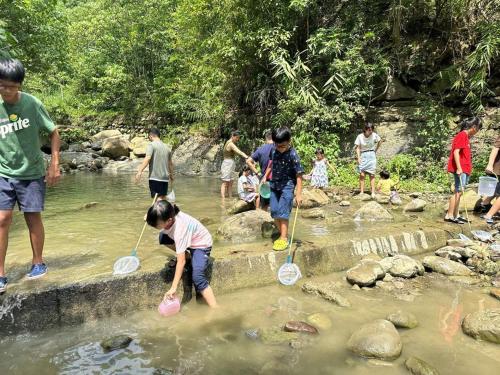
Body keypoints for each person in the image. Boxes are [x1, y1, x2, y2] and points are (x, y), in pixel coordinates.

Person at [0, 58, 61, 293]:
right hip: (4, 172)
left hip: (32, 172)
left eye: (11, 86)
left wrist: (54, 164)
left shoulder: (32, 104)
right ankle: (1, 274)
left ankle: (38, 262)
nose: (6, 91)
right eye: (2, 85)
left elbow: (54, 133)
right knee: (2, 220)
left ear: (20, 86)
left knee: (32, 218)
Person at [146, 200, 217, 308]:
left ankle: (215, 307)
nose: (156, 227)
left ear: (169, 220)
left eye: (157, 225)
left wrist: (173, 287)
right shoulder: (170, 211)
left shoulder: (180, 230)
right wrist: (149, 218)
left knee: (197, 277)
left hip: (201, 245)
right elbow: (160, 203)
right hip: (190, 240)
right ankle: (187, 255)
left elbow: (181, 262)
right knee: (162, 237)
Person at [262, 127, 304, 251]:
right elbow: (271, 162)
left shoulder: (293, 154)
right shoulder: (274, 150)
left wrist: (298, 194)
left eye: (283, 146)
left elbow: (299, 175)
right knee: (274, 212)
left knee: (283, 213)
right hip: (274, 185)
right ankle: (284, 235)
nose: (279, 148)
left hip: (287, 186)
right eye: (277, 145)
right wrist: (265, 175)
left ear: (289, 141)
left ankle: (284, 238)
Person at [444, 117, 482, 224]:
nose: (477, 132)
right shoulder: (462, 135)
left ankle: (456, 214)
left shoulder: (466, 137)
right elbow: (456, 152)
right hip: (461, 169)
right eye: (478, 129)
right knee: (458, 191)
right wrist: (459, 168)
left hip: (465, 169)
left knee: (460, 192)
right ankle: (449, 215)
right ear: (474, 127)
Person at [135, 128, 174, 201]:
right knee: (162, 197)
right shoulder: (167, 147)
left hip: (155, 177)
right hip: (165, 178)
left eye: (149, 137)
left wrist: (140, 171)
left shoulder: (151, 145)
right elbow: (170, 164)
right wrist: (171, 175)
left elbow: (147, 158)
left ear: (151, 136)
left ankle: (157, 210)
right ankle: (167, 209)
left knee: (157, 199)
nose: (149, 139)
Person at [247, 129, 274, 209]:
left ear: (266, 138)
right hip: (276, 178)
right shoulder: (278, 148)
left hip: (263, 179)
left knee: (264, 205)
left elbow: (248, 161)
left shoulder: (260, 149)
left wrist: (257, 172)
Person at [355, 123, 382, 198]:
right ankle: (361, 191)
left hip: (371, 155)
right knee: (362, 174)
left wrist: (376, 149)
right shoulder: (360, 136)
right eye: (369, 130)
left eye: (372, 130)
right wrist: (359, 157)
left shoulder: (374, 135)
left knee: (372, 174)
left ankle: (373, 192)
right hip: (363, 155)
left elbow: (380, 141)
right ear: (365, 129)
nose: (371, 132)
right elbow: (357, 148)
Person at [220, 130, 249, 199]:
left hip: (231, 163)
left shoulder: (231, 143)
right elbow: (238, 151)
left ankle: (230, 197)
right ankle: (223, 200)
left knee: (231, 182)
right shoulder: (230, 144)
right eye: (237, 138)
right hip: (227, 163)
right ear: (233, 136)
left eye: (238, 138)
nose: (238, 139)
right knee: (225, 182)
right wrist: (247, 157)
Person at [480, 135, 500, 224]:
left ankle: (485, 204)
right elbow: (495, 149)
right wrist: (490, 164)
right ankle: (489, 215)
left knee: (496, 191)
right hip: (498, 169)